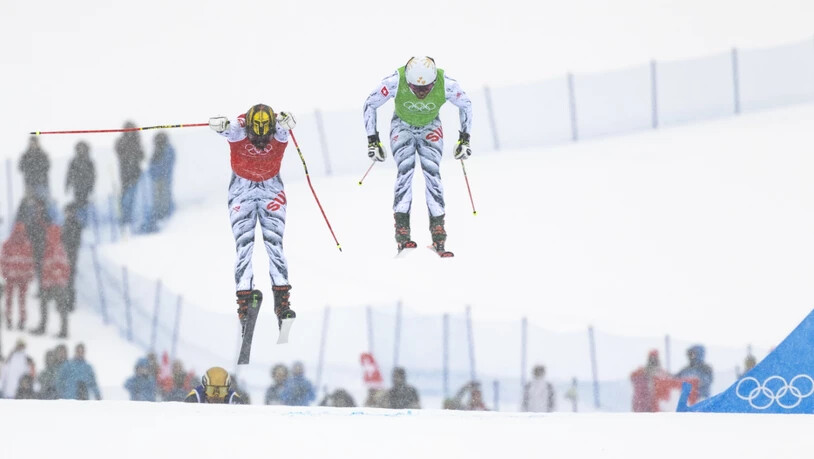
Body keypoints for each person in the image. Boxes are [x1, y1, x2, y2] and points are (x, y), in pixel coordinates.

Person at [363, 56, 473, 256]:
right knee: (405, 170)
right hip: (402, 126)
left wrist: (464, 139)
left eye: (427, 88)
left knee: (433, 173)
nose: (421, 93)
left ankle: (438, 229)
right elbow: (370, 103)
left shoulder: (447, 84)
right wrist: (373, 140)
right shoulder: (395, 80)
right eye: (415, 88)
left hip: (430, 126)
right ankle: (402, 230)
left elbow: (466, 104)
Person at [208, 105, 298, 334]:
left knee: (275, 245)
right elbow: (224, 129)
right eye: (255, 133)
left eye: (264, 134)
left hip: (271, 189)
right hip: (242, 190)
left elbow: (288, 126)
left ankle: (282, 303)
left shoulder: (279, 130)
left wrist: (289, 122)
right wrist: (218, 125)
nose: (260, 139)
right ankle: (244, 302)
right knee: (244, 246)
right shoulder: (239, 129)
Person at [30, 224, 71, 338]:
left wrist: (54, 278)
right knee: (51, 306)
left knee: (59, 307)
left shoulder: (56, 248)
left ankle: (61, 330)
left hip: (55, 283)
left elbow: (59, 267)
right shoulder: (52, 248)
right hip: (51, 283)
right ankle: (49, 327)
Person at [1, 223, 35, 330]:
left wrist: (5, 273)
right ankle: (20, 320)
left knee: (11, 299)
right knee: (20, 300)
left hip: (13, 276)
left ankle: (11, 319)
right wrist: (29, 274)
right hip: (21, 277)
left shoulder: (8, 244)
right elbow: (30, 262)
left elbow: (3, 261)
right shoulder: (26, 245)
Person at [115, 121, 145, 229]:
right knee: (124, 198)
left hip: (135, 174)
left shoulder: (137, 142)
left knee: (132, 198)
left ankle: (129, 218)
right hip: (125, 175)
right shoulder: (121, 141)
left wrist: (134, 155)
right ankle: (124, 219)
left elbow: (142, 156)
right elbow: (120, 153)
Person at [148, 132, 176, 222]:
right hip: (157, 179)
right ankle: (160, 214)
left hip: (164, 178)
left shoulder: (168, 150)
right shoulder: (158, 150)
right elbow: (153, 165)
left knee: (164, 197)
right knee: (158, 198)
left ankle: (166, 214)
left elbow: (164, 165)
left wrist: (157, 172)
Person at [65, 141, 96, 206]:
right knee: (78, 203)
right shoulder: (74, 161)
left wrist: (91, 186)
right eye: (79, 148)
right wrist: (67, 185)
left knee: (85, 203)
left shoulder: (89, 161)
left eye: (82, 148)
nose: (81, 150)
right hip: (77, 186)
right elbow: (69, 174)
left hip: (86, 187)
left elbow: (93, 175)